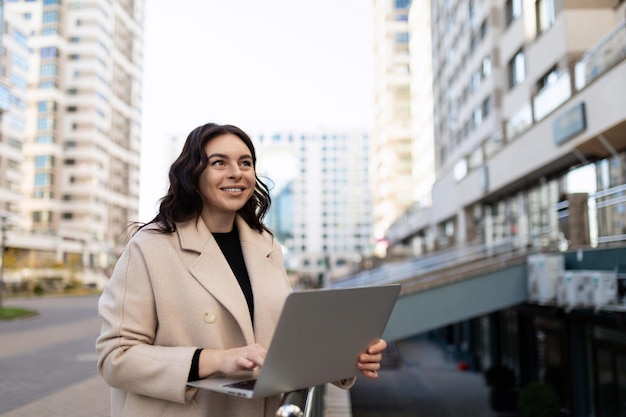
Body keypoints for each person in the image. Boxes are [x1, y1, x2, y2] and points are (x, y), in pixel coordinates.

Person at [96, 122, 388, 417]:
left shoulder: (266, 245)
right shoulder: (150, 247)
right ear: (193, 173)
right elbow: (116, 357)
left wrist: (344, 357)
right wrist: (214, 360)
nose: (236, 172)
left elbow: (278, 341)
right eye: (219, 162)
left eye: (245, 163)